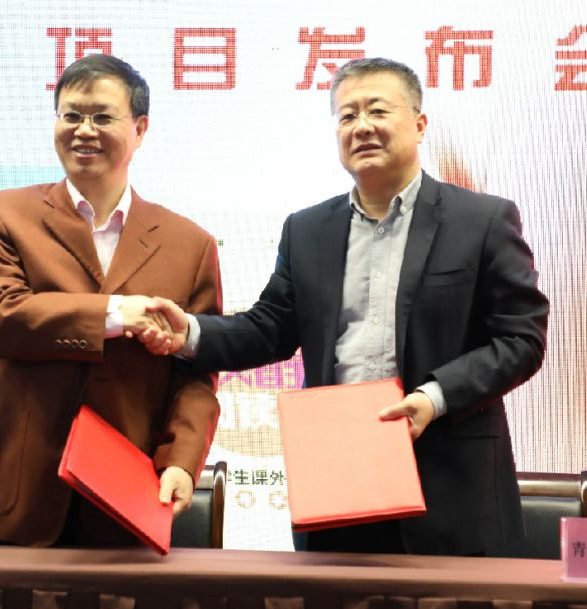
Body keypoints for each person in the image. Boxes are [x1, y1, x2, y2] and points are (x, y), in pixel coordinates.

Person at [138, 57, 548, 555]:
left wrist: (434, 397)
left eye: (378, 110)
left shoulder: (482, 220)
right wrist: (190, 334)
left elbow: (520, 339)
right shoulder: (307, 230)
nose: (362, 126)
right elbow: (270, 328)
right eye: (347, 115)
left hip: (449, 482)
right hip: (337, 479)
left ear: (420, 124)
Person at [0, 54, 222, 547]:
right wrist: (115, 313)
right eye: (71, 115)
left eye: (102, 117)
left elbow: (196, 374)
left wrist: (181, 460)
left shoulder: (190, 244)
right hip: (15, 495)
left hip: (127, 494)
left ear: (140, 128)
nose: (84, 130)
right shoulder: (4, 214)